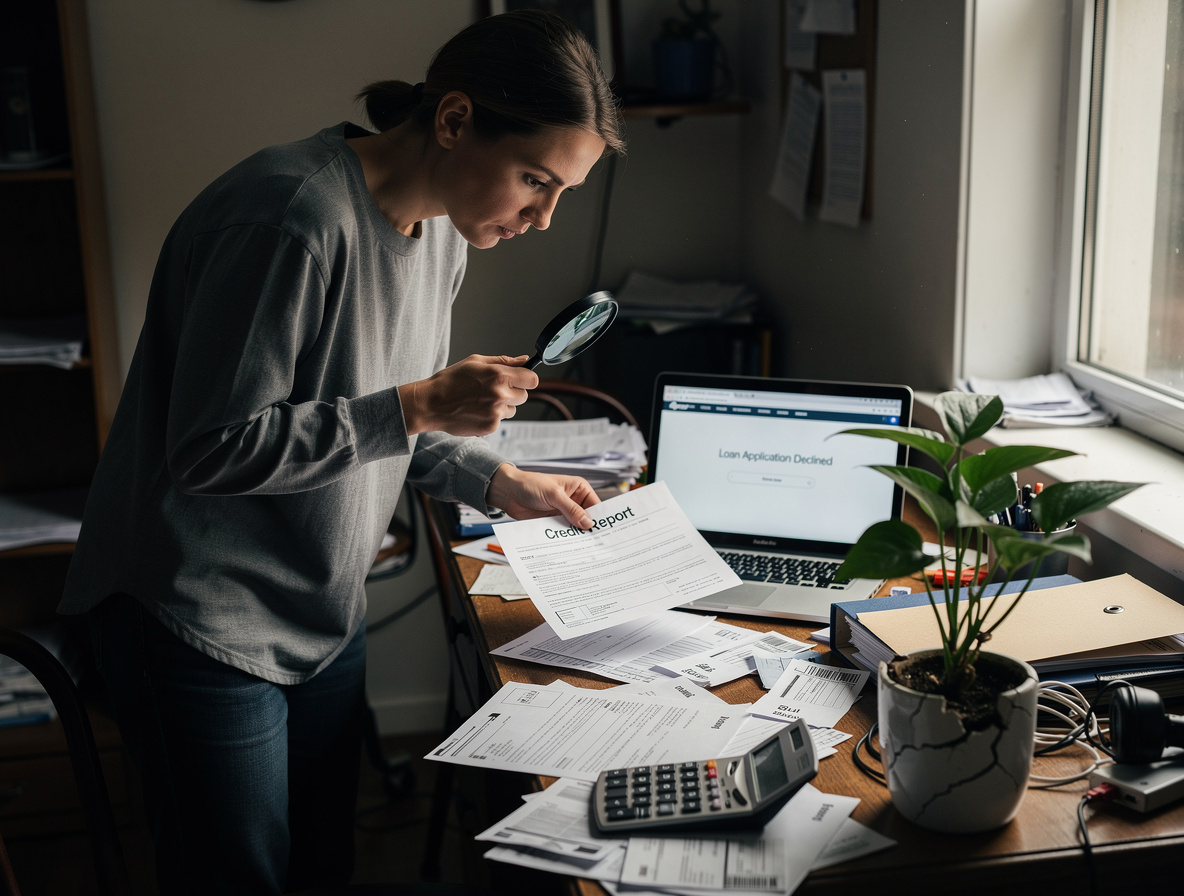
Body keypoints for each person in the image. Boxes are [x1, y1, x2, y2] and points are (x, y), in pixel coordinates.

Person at [57, 10, 624, 895]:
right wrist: (426, 401)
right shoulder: (288, 219)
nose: (543, 218)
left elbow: (374, 424)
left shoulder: (439, 229)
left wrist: (498, 478)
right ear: (452, 120)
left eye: (562, 195)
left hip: (318, 606)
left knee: (324, 867)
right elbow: (211, 451)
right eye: (533, 180)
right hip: (198, 618)